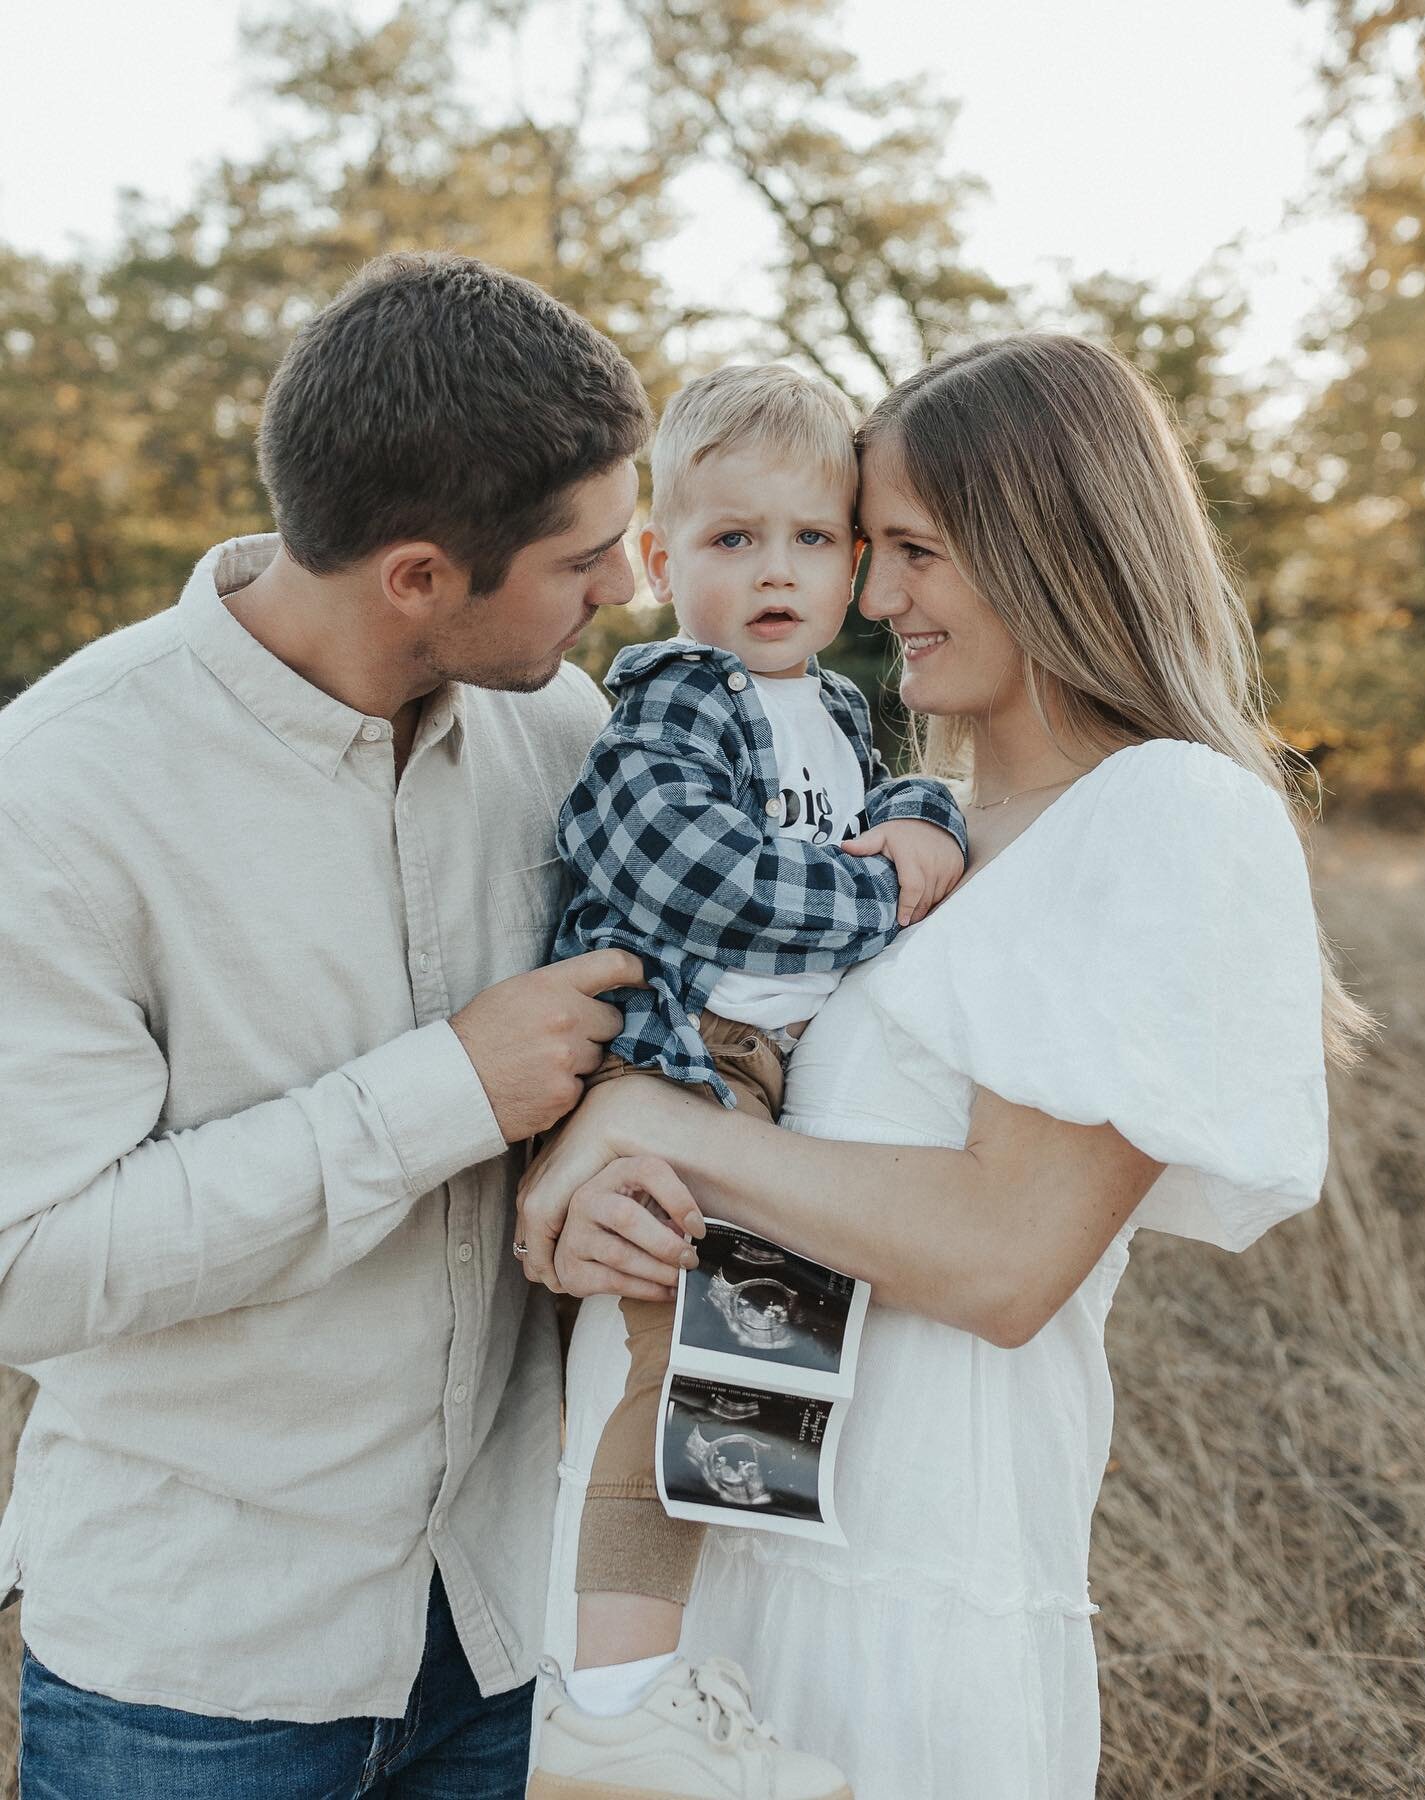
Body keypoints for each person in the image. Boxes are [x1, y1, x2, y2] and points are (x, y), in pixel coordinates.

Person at [517, 335, 1367, 1798]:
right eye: (873, 547)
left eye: (910, 549)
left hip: (905, 1589)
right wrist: (605, 1193)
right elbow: (777, 1122)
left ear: (1046, 544)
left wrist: (665, 1124)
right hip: (703, 1564)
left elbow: (1005, 1257)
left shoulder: (1166, 813)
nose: (878, 594)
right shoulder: (914, 834)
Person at [0, 251, 653, 1798]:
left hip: (503, 1632)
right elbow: (26, 1264)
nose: (627, 586)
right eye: (583, 559)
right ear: (419, 576)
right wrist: (445, 1092)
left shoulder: (567, 733)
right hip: (197, 1676)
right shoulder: (59, 795)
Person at [525, 365, 967, 1800]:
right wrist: (878, 899)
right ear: (659, 563)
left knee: (750, 1389)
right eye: (729, 541)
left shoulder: (837, 716)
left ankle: (677, 1690)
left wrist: (920, 825)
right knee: (674, 1375)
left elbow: (907, 791)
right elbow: (677, 866)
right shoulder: (679, 697)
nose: (774, 570)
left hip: (764, 1084)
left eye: (810, 537)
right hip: (678, 1057)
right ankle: (610, 1706)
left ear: (851, 557)